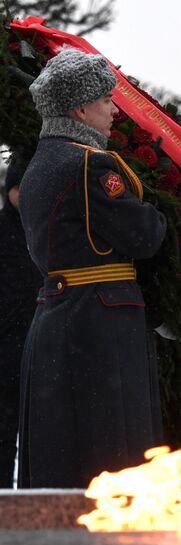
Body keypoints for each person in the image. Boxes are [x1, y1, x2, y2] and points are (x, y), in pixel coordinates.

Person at [18, 49, 167, 488]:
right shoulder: (90, 165)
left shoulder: (36, 168)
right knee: (112, 453)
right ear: (81, 109)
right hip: (100, 326)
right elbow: (145, 235)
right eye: (106, 100)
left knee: (61, 454)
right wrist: (156, 214)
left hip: (54, 316)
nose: (115, 111)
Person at [0, 159, 41, 487]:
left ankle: (35, 502)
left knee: (39, 438)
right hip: (4, 349)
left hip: (40, 345)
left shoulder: (45, 226)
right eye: (18, 187)